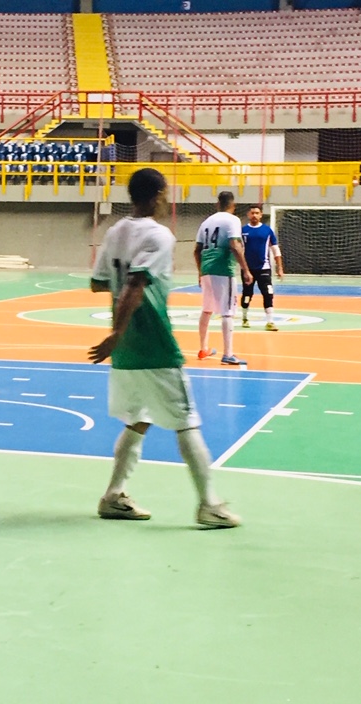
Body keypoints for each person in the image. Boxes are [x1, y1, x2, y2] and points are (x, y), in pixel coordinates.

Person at [87, 167, 240, 530]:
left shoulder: (114, 231)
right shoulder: (159, 235)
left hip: (125, 355)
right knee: (186, 423)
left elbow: (98, 284)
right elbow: (135, 286)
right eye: (166, 191)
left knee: (137, 419)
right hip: (153, 343)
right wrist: (117, 331)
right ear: (157, 194)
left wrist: (117, 336)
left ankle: (113, 496)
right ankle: (209, 504)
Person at [193, 191, 253, 365]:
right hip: (222, 268)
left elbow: (196, 250)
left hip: (206, 269)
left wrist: (200, 272)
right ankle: (228, 354)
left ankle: (204, 348)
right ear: (232, 206)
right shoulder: (232, 220)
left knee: (207, 309)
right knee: (228, 311)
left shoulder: (206, 222)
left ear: (217, 204)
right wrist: (246, 269)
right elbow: (234, 245)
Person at [240, 203, 284, 330]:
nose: (254, 215)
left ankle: (270, 322)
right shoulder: (243, 231)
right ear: (248, 215)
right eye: (252, 213)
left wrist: (279, 268)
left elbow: (276, 250)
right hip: (248, 269)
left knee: (268, 293)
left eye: (257, 213)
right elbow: (238, 249)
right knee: (247, 293)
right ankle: (244, 318)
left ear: (261, 215)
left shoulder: (267, 231)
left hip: (264, 268)